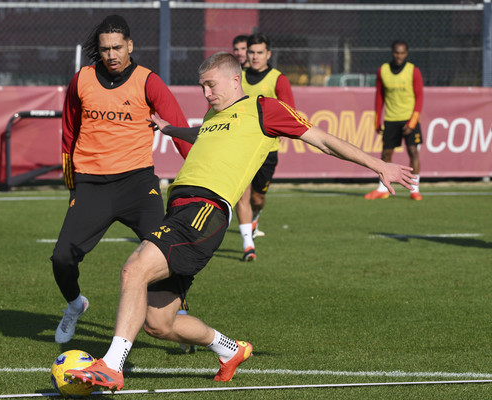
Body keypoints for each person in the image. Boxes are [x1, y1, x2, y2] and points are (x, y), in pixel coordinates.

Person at [64, 52, 416, 391]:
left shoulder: (264, 108)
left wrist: (379, 165)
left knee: (134, 269)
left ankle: (111, 366)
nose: (206, 93)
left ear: (236, 80)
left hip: (204, 210)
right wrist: (170, 129)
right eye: (202, 87)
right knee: (159, 323)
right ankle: (231, 350)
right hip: (182, 211)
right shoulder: (215, 115)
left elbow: (322, 140)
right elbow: (203, 137)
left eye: (211, 85)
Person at [51, 15, 192, 344]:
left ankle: (177, 311)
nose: (111, 54)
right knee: (61, 257)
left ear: (130, 45)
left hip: (138, 185)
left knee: (168, 251)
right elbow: (69, 130)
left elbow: (179, 127)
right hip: (92, 185)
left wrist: (196, 172)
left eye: (117, 47)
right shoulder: (81, 80)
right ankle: (74, 305)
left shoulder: (148, 81)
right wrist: (73, 180)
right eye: (105, 49)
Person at [237, 33, 296, 261]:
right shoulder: (237, 77)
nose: (254, 56)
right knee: (243, 195)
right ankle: (247, 245)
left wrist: (284, 130)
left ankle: (256, 216)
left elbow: (288, 108)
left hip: (267, 149)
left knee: (257, 198)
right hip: (241, 147)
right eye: (251, 52)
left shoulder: (277, 79)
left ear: (268, 54)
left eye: (259, 52)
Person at [365, 39, 424, 201]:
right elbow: (379, 97)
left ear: (406, 53)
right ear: (393, 52)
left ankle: (414, 190)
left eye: (402, 53)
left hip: (409, 120)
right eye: (397, 52)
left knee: (413, 152)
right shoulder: (383, 70)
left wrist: (412, 123)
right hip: (391, 119)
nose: (399, 56)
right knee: (386, 154)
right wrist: (377, 121)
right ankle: (382, 188)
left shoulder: (413, 71)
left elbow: (419, 98)